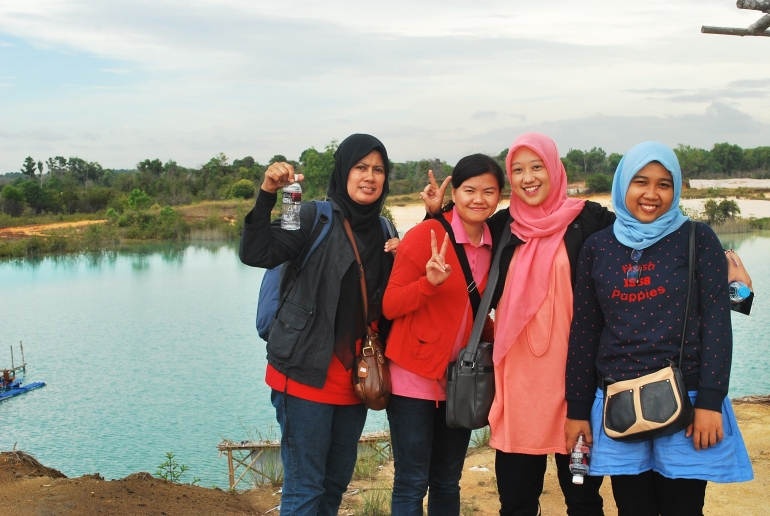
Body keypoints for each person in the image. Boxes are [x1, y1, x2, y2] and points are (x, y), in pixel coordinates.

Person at [423, 132, 612, 516]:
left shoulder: (589, 219)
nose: (528, 177)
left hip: (577, 383)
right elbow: (461, 250)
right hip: (519, 385)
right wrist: (432, 216)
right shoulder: (502, 225)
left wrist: (718, 269)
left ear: (555, 168)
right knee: (516, 501)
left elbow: (644, 243)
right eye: (518, 169)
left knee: (582, 497)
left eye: (537, 166)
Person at [564, 142, 754, 516]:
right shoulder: (597, 248)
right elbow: (585, 332)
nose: (651, 194)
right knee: (633, 509)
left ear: (676, 188)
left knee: (683, 509)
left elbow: (717, 321)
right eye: (641, 182)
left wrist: (712, 402)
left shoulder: (699, 239)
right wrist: (578, 408)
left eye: (664, 184)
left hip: (688, 399)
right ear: (623, 186)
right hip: (618, 400)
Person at [239, 134, 398, 516]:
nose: (369, 177)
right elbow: (258, 251)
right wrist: (269, 193)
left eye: (378, 169)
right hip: (304, 374)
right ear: (343, 171)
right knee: (305, 488)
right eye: (361, 167)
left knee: (333, 486)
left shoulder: (386, 231)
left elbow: (390, 304)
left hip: (356, 379)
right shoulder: (309, 213)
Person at [383, 154, 503, 515]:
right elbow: (390, 305)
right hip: (412, 378)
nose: (479, 199)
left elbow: (478, 310)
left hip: (462, 380)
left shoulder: (496, 243)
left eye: (489, 191)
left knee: (448, 479)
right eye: (470, 190)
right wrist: (428, 284)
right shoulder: (427, 234)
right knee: (411, 481)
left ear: (500, 196)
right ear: (456, 192)